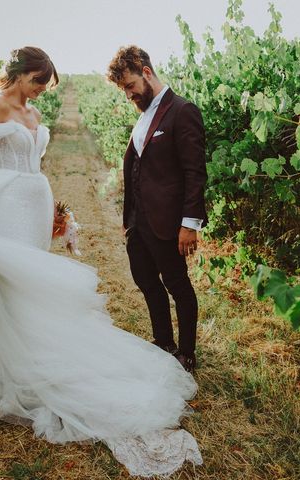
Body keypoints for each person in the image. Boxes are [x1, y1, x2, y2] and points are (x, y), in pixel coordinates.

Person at [0, 46, 202, 477]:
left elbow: (36, 165)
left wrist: (56, 212)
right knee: (17, 279)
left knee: (35, 278)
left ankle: (49, 355)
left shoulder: (34, 112)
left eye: (46, 84)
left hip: (35, 200)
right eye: (39, 82)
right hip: (9, 202)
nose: (41, 91)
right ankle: (24, 364)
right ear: (21, 74)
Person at [107, 46, 208, 373]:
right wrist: (130, 219)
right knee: (146, 279)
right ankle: (164, 342)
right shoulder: (144, 116)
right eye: (123, 89)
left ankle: (187, 353)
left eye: (129, 85)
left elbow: (195, 172)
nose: (128, 94)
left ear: (146, 72)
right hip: (139, 222)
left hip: (168, 222)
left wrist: (189, 223)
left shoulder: (183, 111)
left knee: (177, 285)